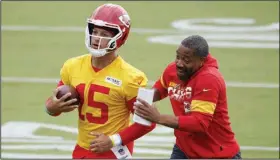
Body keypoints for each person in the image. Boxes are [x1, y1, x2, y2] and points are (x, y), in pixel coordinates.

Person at [44, 3, 155, 159]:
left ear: (120, 37)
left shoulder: (133, 77)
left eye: (104, 34)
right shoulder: (72, 66)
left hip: (114, 153)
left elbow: (148, 122)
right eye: (95, 32)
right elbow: (53, 105)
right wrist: (51, 107)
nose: (96, 38)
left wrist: (114, 140)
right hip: (82, 149)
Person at [134, 35, 242, 159]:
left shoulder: (209, 79)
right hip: (184, 150)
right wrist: (137, 98)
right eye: (178, 57)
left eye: (186, 60)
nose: (179, 63)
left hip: (216, 154)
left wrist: (158, 118)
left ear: (201, 61)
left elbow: (199, 123)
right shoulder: (172, 70)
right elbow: (159, 90)